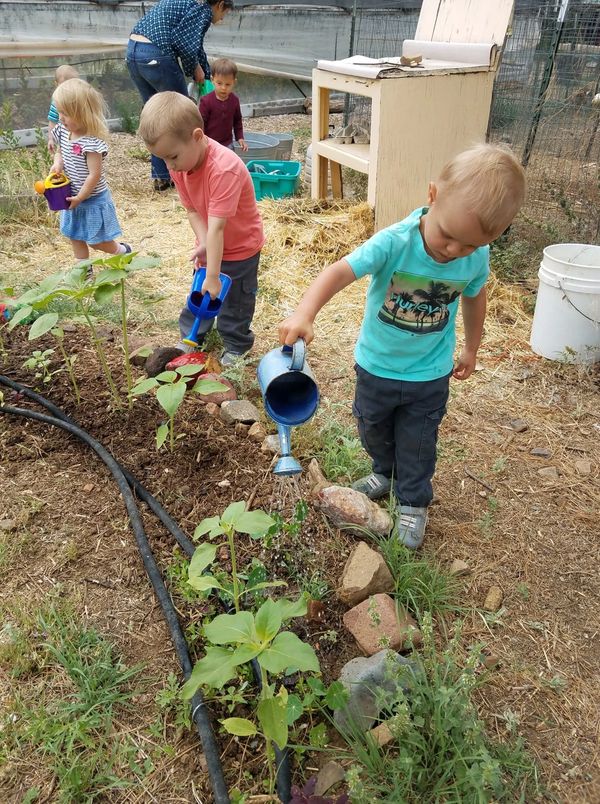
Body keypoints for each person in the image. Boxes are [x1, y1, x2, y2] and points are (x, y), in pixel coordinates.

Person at [279, 144, 526, 549]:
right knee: (371, 427)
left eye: (468, 245)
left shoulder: (476, 257)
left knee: (418, 442)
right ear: (433, 196)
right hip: (376, 365)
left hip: (429, 374)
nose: (454, 251)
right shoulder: (395, 242)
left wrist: (472, 348)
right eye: (449, 236)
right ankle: (384, 472)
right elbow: (339, 271)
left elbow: (474, 297)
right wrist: (305, 313)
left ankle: (412, 501)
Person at [137, 91, 264, 365]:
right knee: (200, 292)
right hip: (211, 241)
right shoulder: (180, 165)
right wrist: (203, 242)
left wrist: (214, 275)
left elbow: (219, 229)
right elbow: (192, 210)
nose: (169, 166)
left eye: (172, 157)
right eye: (163, 159)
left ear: (196, 136)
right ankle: (191, 338)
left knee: (235, 302)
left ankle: (235, 345)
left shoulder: (224, 169)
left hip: (240, 246)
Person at [126, 0, 234, 191]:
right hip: (156, 53)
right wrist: (195, 68)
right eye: (223, 14)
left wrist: (203, 72)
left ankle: (162, 177)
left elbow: (194, 46)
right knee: (181, 117)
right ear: (219, 4)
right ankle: (189, 174)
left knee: (155, 116)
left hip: (134, 52)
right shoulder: (203, 10)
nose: (221, 19)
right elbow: (185, 44)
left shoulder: (189, 4)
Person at [49, 78, 131, 262]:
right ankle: (83, 270)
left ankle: (122, 251)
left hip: (92, 199)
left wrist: (81, 197)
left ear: (82, 113)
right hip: (72, 196)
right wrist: (58, 163)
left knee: (97, 241)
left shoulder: (91, 143)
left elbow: (94, 175)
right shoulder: (64, 130)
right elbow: (60, 151)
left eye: (66, 113)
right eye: (60, 111)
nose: (60, 117)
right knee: (75, 236)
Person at [199, 58, 247, 151]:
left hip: (227, 143)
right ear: (212, 80)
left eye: (228, 84)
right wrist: (202, 141)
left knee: (229, 160)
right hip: (209, 143)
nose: (223, 88)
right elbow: (201, 123)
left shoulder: (234, 100)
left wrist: (240, 137)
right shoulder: (206, 101)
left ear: (234, 82)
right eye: (219, 83)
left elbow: (237, 120)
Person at [47, 64, 80, 153]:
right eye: (64, 85)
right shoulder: (56, 103)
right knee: (61, 154)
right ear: (56, 84)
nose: (68, 89)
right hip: (63, 136)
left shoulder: (79, 99)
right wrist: (51, 139)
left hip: (79, 135)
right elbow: (52, 121)